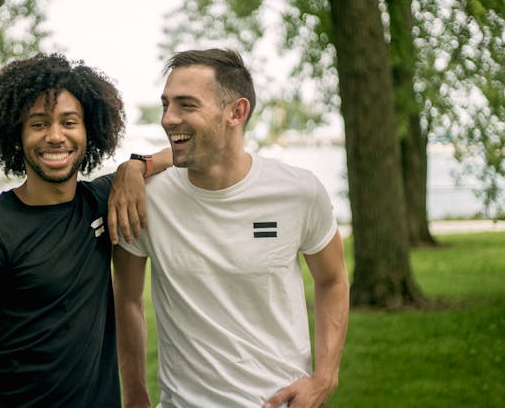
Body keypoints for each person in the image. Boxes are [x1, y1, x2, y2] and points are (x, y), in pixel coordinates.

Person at [112, 49, 350, 408]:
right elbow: (126, 299)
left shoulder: (299, 191)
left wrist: (325, 377)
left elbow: (333, 280)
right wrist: (134, 397)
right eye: (166, 105)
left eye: (186, 106)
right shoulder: (145, 199)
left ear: (236, 112)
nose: (168, 119)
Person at [0, 53, 168, 407]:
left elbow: (181, 154)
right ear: (16, 136)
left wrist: (136, 165)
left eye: (69, 122)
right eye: (38, 124)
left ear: (88, 132)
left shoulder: (102, 201)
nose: (55, 136)